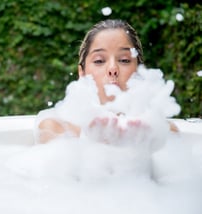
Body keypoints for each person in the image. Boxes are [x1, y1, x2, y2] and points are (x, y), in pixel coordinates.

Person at [35, 19, 178, 144]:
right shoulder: (56, 128)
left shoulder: (162, 131)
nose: (113, 69)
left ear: (139, 71)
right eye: (99, 61)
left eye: (124, 60)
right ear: (82, 73)